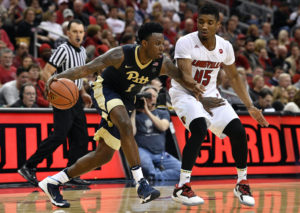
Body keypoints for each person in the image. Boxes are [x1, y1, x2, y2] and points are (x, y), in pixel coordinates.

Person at [37, 22, 219, 208]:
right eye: (157, 43)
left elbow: (182, 78)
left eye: (163, 43)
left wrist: (200, 93)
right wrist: (57, 77)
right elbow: (85, 69)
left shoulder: (161, 63)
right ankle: (141, 183)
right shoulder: (120, 54)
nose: (162, 47)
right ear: (144, 44)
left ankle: (53, 182)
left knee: (103, 155)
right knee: (124, 123)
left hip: (126, 99)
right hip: (105, 89)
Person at [168, 4, 269, 207]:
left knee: (239, 131)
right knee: (199, 128)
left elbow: (233, 76)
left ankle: (242, 183)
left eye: (209, 23)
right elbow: (186, 77)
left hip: (210, 94)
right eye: (201, 22)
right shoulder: (185, 42)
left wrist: (250, 106)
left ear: (218, 25)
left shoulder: (225, 46)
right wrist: (201, 100)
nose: (204, 26)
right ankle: (181, 187)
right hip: (185, 94)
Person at [18, 19, 92, 187]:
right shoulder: (62, 50)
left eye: (81, 32)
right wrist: (56, 91)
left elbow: (78, 76)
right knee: (59, 136)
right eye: (75, 31)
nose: (78, 35)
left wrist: (83, 92)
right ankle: (28, 166)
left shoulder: (82, 52)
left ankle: (71, 174)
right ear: (68, 33)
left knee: (81, 138)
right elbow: (46, 73)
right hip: (63, 100)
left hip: (77, 99)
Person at [131, 85, 181, 181]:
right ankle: (154, 174)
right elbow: (132, 132)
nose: (150, 98)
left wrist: (147, 111)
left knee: (181, 171)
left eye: (153, 96)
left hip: (160, 153)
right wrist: (133, 110)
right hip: (142, 151)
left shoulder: (162, 112)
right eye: (148, 96)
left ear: (156, 98)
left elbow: (163, 127)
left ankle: (155, 176)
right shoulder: (135, 114)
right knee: (145, 166)